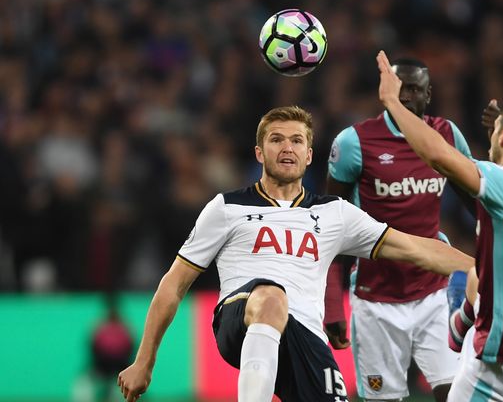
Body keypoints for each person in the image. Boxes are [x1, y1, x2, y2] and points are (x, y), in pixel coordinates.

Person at [116, 106, 474, 402]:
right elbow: (174, 284)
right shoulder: (226, 207)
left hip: (305, 336)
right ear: (260, 153)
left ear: (308, 154)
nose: (286, 147)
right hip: (241, 318)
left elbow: (414, 248)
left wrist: (484, 267)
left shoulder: (335, 213)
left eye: (296, 140)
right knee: (272, 297)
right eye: (276, 140)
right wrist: (144, 361)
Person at [376, 51, 503, 401]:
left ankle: (463, 321)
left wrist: (393, 102)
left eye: (496, 131)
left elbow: (440, 157)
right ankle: (463, 321)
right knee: (477, 272)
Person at [323, 58, 473, 402]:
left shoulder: (447, 136)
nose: (406, 96)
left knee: (457, 395)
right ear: (385, 91)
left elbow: (479, 205)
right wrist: (333, 304)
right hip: (376, 299)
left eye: (415, 89)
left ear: (428, 95)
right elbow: (330, 228)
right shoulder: (354, 143)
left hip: (435, 294)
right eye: (399, 88)